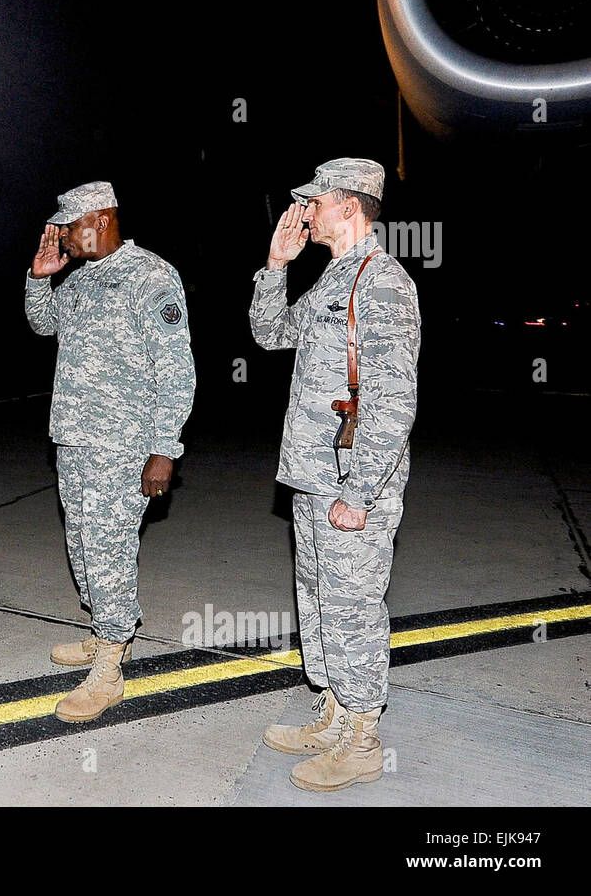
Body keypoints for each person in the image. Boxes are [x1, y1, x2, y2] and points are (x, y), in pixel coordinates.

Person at [249, 158, 421, 792]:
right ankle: (334, 712)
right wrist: (276, 268)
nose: (305, 210)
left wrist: (360, 490)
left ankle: (363, 737)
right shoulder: (331, 281)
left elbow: (393, 401)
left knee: (354, 609)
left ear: (350, 208)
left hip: (351, 483)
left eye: (315, 201)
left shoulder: (382, 285)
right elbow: (269, 334)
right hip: (313, 476)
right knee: (321, 604)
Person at [25, 181, 195, 723]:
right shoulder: (78, 281)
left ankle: (111, 667)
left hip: (123, 446)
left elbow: (177, 372)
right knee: (81, 542)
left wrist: (164, 449)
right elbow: (43, 324)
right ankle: (104, 631)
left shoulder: (152, 278)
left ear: (97, 220)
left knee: (108, 552)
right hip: (74, 439)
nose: (62, 237)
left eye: (69, 227)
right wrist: (39, 279)